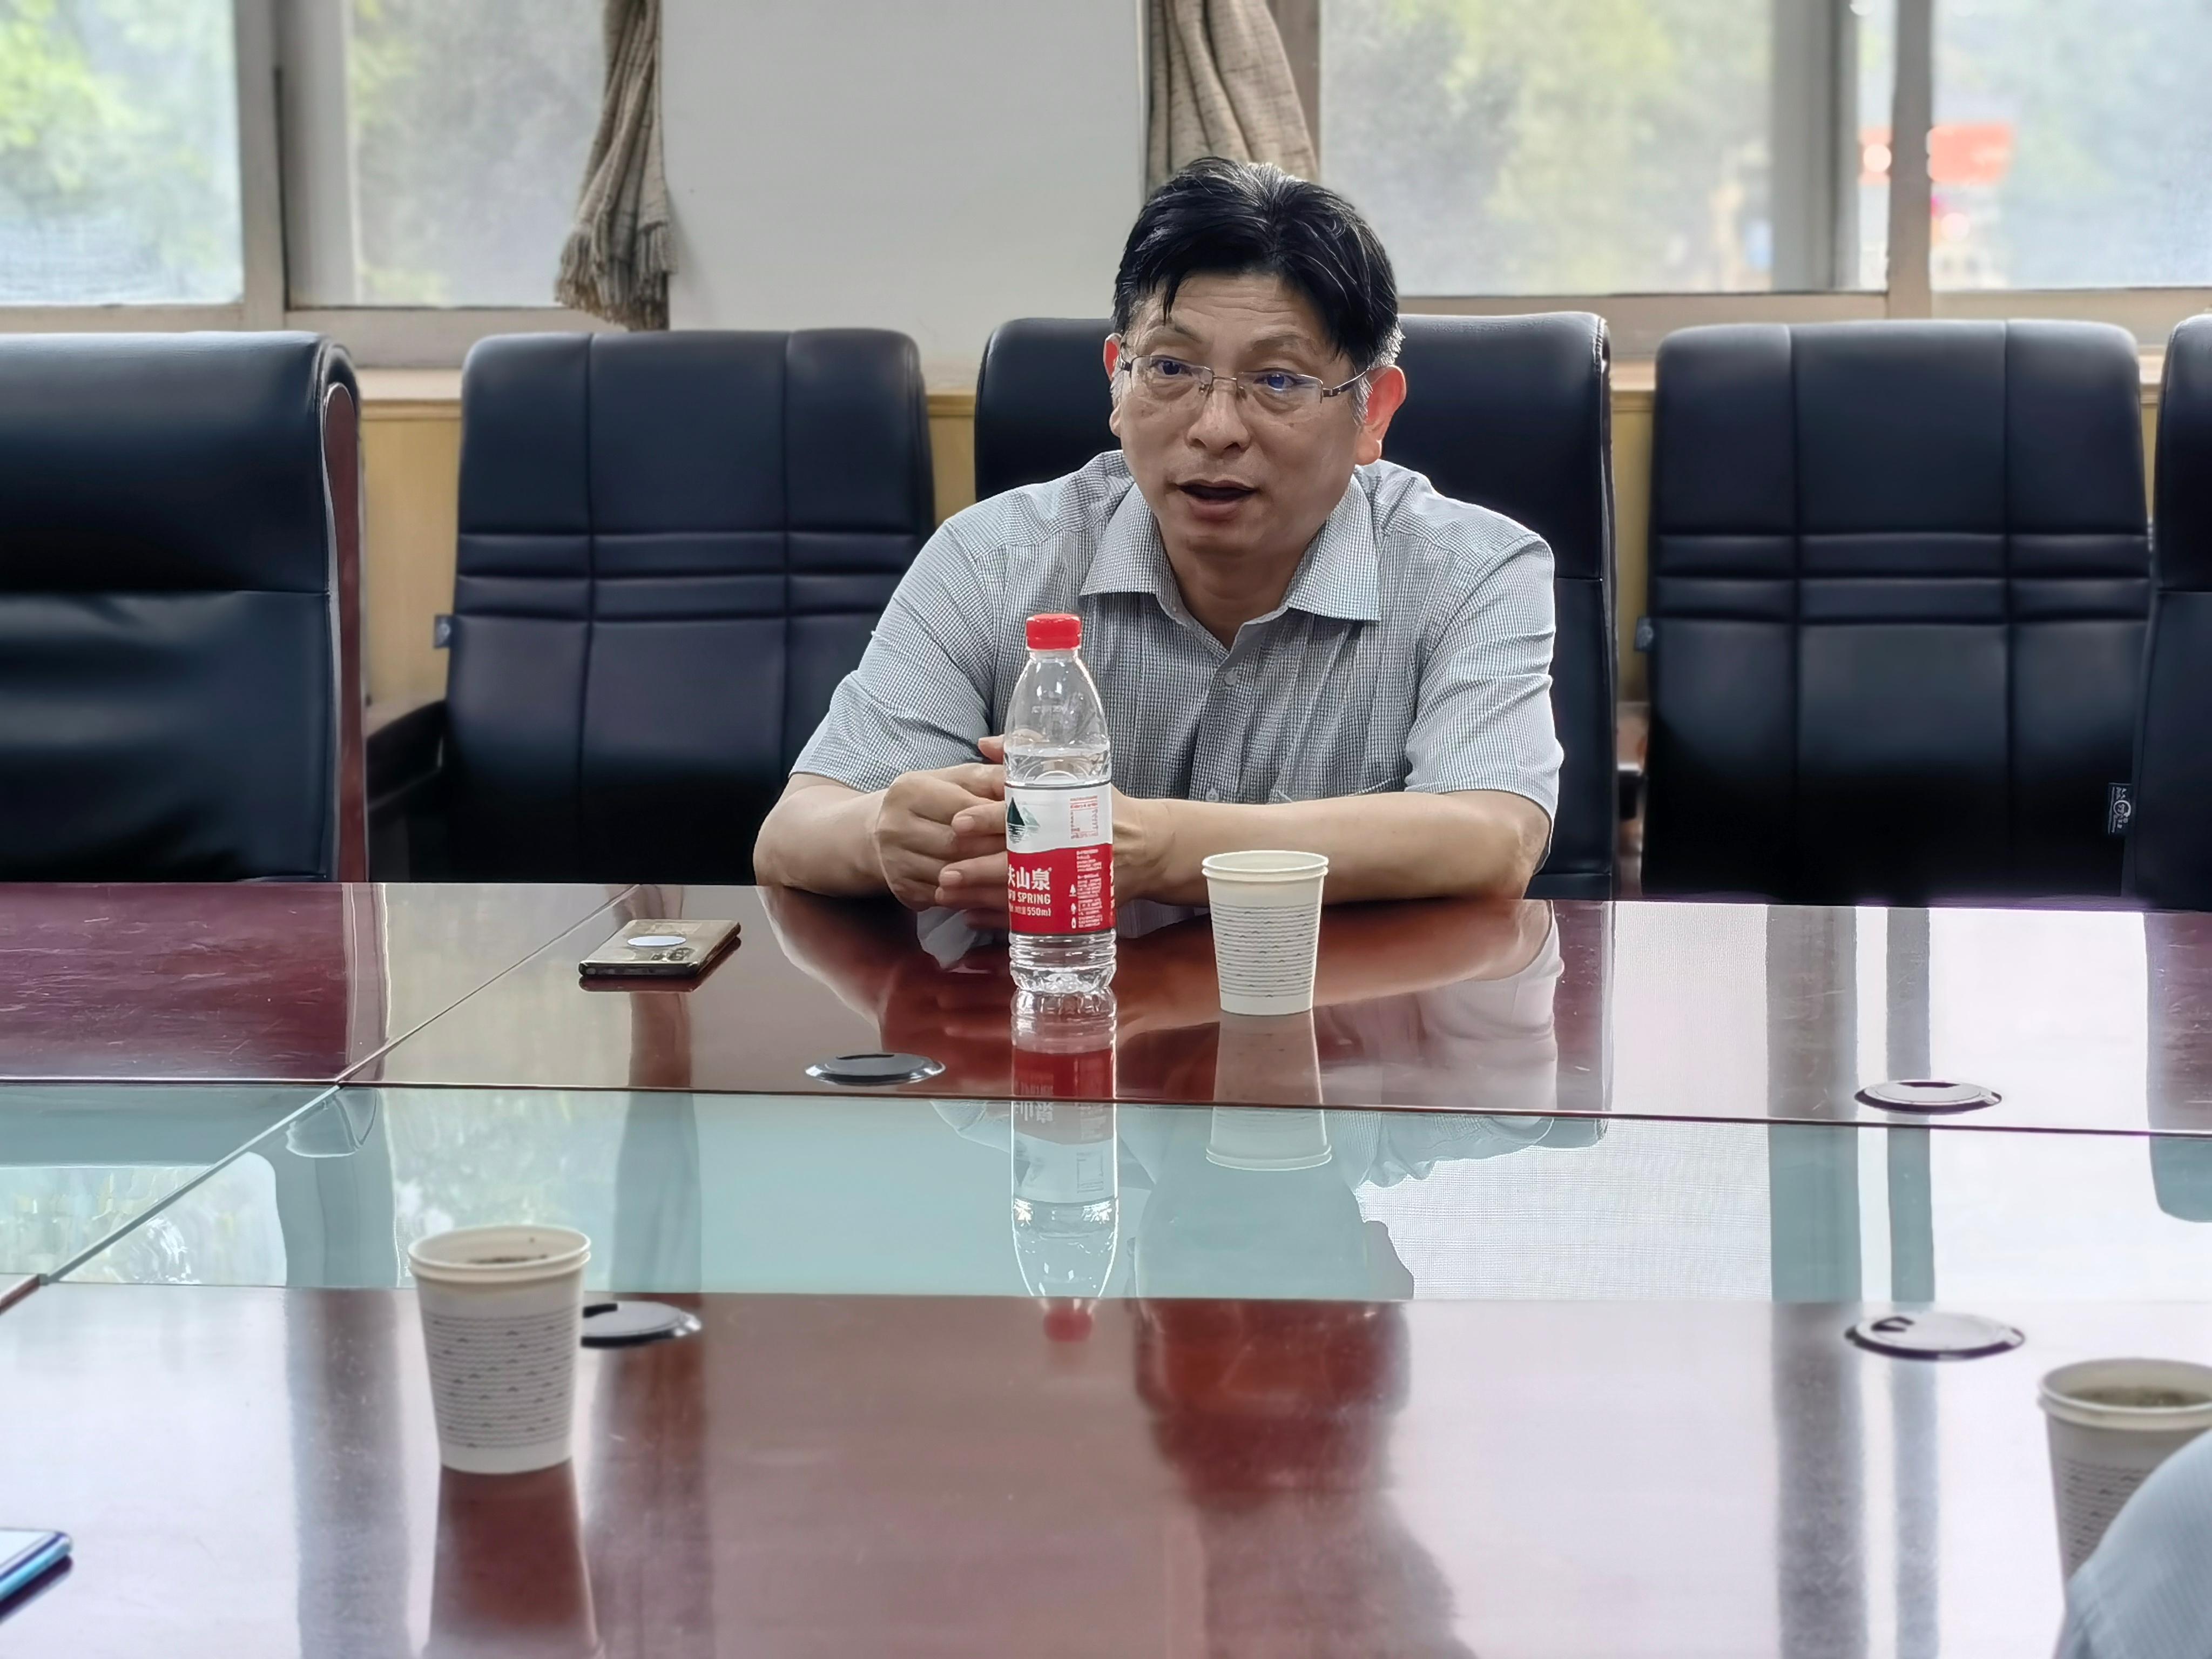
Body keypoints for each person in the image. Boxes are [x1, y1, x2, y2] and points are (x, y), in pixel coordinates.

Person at [753, 157, 1562, 916]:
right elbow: (793, 833)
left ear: (1372, 411)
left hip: (1340, 1013)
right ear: (1118, 379)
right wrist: (885, 834)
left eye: (1278, 380)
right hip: (1060, 1008)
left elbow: (1496, 837)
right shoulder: (993, 560)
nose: (1216, 428)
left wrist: (1161, 847)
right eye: (1171, 369)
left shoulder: (1473, 570)